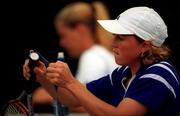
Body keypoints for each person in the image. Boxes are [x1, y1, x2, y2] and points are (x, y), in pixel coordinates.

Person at [23, 6, 180, 115]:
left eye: (121, 38)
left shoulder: (159, 74)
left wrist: (71, 82)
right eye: (114, 37)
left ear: (145, 45)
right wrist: (43, 77)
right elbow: (70, 99)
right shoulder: (122, 74)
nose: (113, 43)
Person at [31, 1, 118, 111]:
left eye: (63, 35)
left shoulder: (92, 57)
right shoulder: (101, 54)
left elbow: (87, 105)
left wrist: (49, 97)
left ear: (79, 29)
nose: (62, 43)